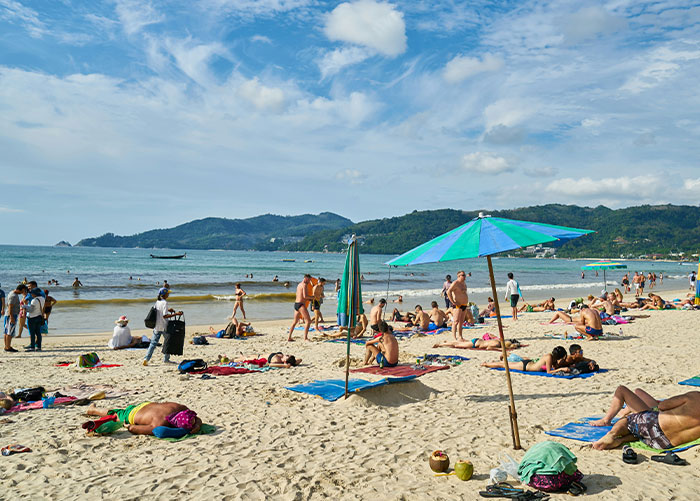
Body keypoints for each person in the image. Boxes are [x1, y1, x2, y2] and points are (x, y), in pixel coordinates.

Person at [591, 387, 700, 451]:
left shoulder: (695, 397)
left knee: (622, 394)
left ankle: (611, 432)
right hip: (663, 444)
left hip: (655, 424)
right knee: (642, 427)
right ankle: (621, 440)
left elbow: (663, 406)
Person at [86, 402, 201, 436]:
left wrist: (197, 424)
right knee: (115, 414)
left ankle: (93, 409)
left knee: (119, 410)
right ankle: (93, 411)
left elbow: (196, 418)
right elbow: (133, 428)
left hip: (146, 405)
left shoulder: (181, 408)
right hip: (131, 415)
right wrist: (127, 426)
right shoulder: (159, 424)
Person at [143, 288, 182, 365]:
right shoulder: (165, 303)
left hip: (157, 326)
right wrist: (176, 314)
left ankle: (146, 359)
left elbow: (159, 312)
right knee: (168, 342)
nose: (169, 294)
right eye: (168, 293)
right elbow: (165, 316)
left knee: (153, 344)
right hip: (164, 326)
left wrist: (168, 309)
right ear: (165, 294)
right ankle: (166, 359)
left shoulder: (158, 302)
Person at [481, 346, 569, 374]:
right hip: (525, 366)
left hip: (528, 364)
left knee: (506, 363)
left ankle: (491, 363)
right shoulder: (549, 357)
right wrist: (561, 369)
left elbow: (553, 367)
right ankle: (486, 364)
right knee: (503, 365)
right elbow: (549, 371)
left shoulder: (551, 356)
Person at [287, 275, 313, 342]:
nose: (309, 282)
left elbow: (299, 295)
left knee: (295, 322)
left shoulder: (299, 285)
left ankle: (289, 337)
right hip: (301, 305)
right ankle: (305, 338)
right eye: (309, 280)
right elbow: (305, 296)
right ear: (306, 278)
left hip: (296, 304)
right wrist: (313, 297)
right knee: (308, 321)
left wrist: (309, 299)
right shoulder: (304, 285)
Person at [447, 271, 470, 341]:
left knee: (461, 322)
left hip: (464, 304)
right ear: (458, 276)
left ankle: (460, 336)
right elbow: (448, 292)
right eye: (463, 275)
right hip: (458, 305)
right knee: (456, 321)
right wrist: (453, 302)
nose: (464, 276)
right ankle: (454, 337)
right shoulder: (455, 283)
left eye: (465, 275)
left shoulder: (463, 283)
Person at [3, 284, 27, 352]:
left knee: (6, 331)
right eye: (24, 290)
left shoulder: (12, 293)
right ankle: (8, 347)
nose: (24, 292)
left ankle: (7, 346)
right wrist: (12, 317)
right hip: (11, 314)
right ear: (22, 289)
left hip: (9, 314)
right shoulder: (13, 296)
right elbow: (10, 306)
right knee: (10, 332)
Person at [433, 337, 521, 351]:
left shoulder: (498, 341)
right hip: (475, 344)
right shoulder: (497, 345)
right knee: (457, 345)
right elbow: (488, 348)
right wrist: (498, 350)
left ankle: (446, 342)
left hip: (478, 340)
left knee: (459, 343)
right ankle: (440, 345)